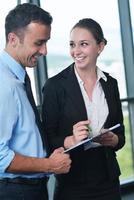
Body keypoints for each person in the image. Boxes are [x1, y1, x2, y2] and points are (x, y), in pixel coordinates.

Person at [42, 18, 125, 200]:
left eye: (84, 44)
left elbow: (121, 137)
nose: (76, 51)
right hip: (72, 183)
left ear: (100, 46)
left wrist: (113, 140)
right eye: (72, 44)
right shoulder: (54, 86)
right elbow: (46, 140)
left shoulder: (111, 84)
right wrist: (70, 140)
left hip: (108, 181)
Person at [0, 3, 71, 200]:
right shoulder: (4, 84)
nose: (45, 51)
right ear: (13, 39)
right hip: (15, 191)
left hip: (30, 188)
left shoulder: (19, 76)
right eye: (38, 43)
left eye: (46, 42)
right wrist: (49, 165)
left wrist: (46, 155)